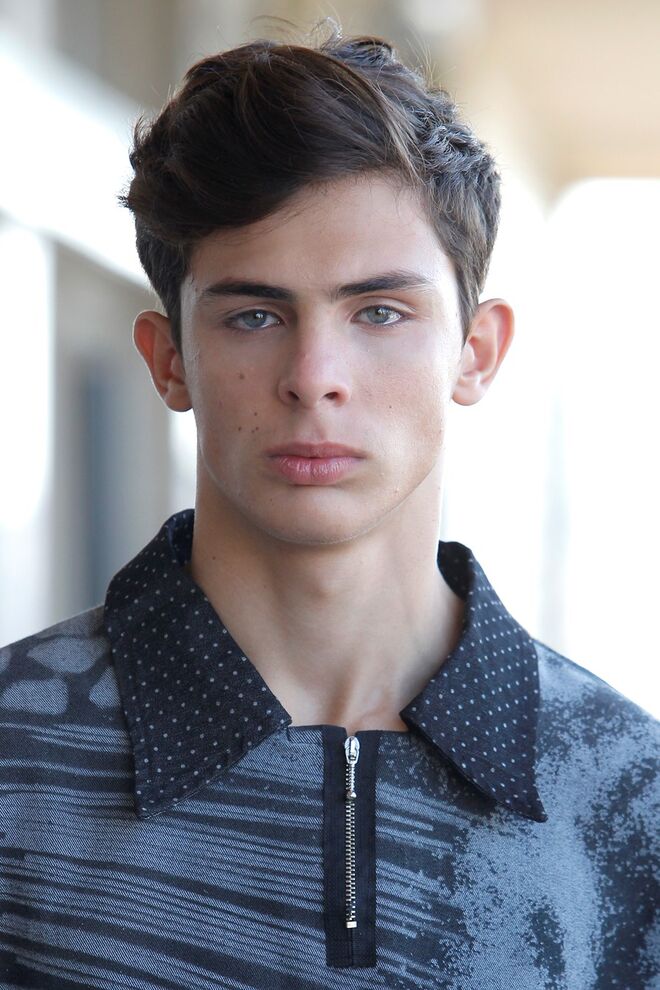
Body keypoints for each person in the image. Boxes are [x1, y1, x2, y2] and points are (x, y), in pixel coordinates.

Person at [0, 22, 657, 990]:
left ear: (476, 353)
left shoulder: (629, 794)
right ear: (169, 359)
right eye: (254, 315)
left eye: (379, 312)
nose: (314, 377)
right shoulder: (13, 763)